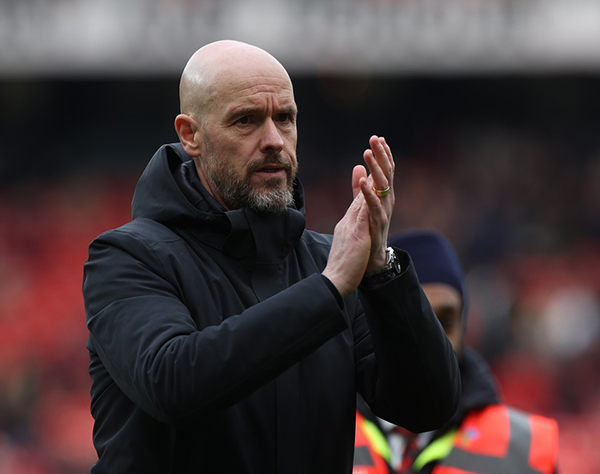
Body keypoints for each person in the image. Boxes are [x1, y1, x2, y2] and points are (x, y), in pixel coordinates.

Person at [82, 40, 460, 473]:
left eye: (285, 118)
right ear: (191, 135)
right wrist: (329, 289)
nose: (274, 141)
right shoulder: (126, 257)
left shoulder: (332, 263)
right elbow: (173, 384)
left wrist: (382, 272)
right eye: (246, 120)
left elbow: (428, 407)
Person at [359, 229, 559, 474]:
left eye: (445, 322)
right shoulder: (322, 429)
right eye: (412, 323)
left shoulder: (526, 448)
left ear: (464, 328)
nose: (432, 343)